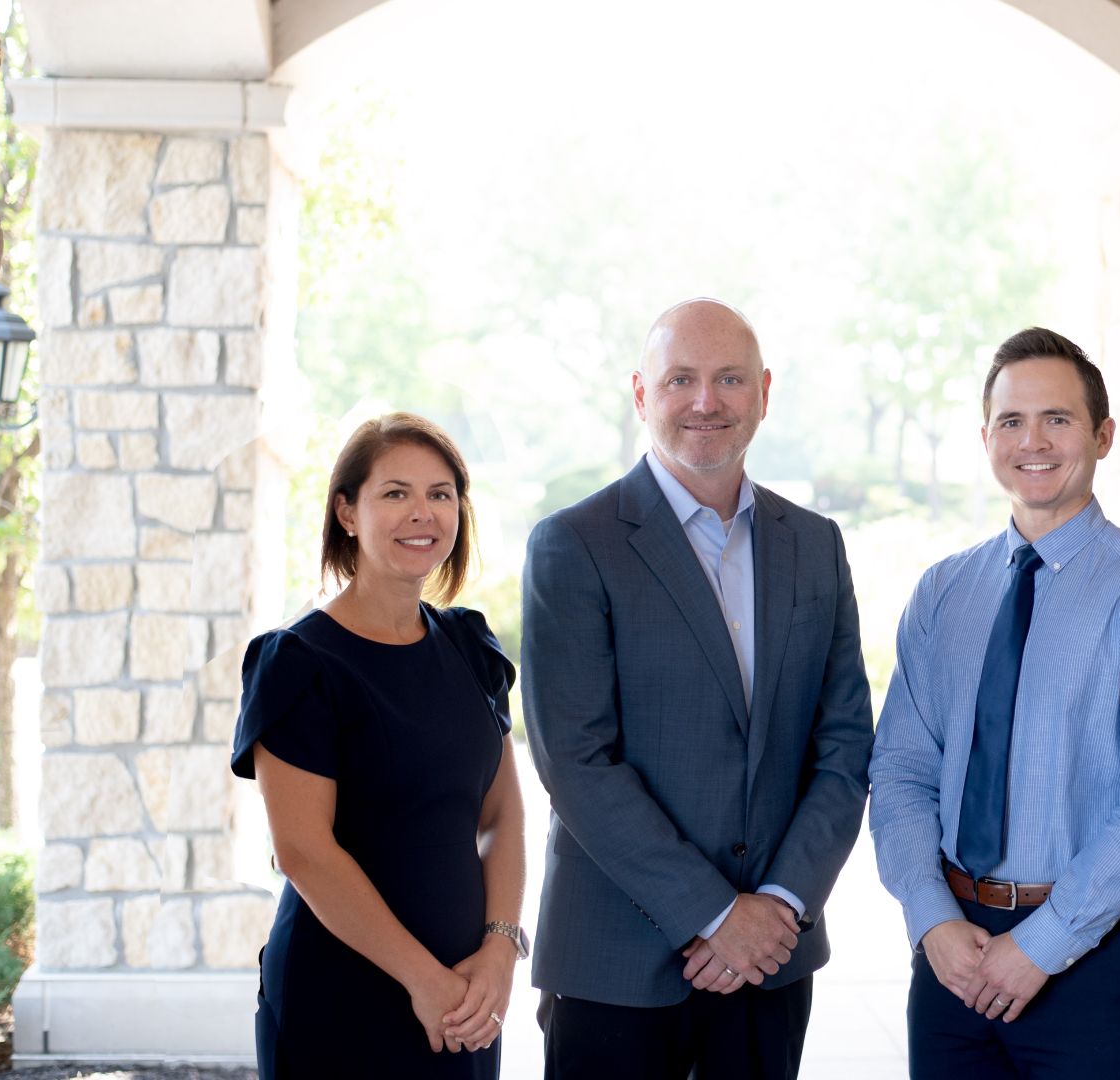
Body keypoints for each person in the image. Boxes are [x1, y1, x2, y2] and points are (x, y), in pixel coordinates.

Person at [522, 298, 874, 1079]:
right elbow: (576, 762)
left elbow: (846, 746)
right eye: (681, 379)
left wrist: (779, 905)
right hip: (615, 965)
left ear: (764, 392)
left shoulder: (816, 546)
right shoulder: (574, 545)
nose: (706, 402)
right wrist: (714, 916)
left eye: (729, 379)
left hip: (771, 967)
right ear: (643, 395)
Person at [868, 327, 1120, 1078]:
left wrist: (1043, 943)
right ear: (986, 436)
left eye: (1057, 419)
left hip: (1092, 958)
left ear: (1103, 435)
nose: (1034, 441)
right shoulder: (943, 592)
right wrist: (931, 918)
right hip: (952, 951)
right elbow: (899, 769)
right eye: (1011, 421)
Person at [230, 413, 526, 1079]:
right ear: (347, 511)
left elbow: (502, 815)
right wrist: (424, 981)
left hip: (467, 993)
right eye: (395, 493)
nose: (422, 513)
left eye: (440, 493)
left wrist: (500, 952)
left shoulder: (471, 648)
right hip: (341, 995)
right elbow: (304, 852)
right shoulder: (298, 662)